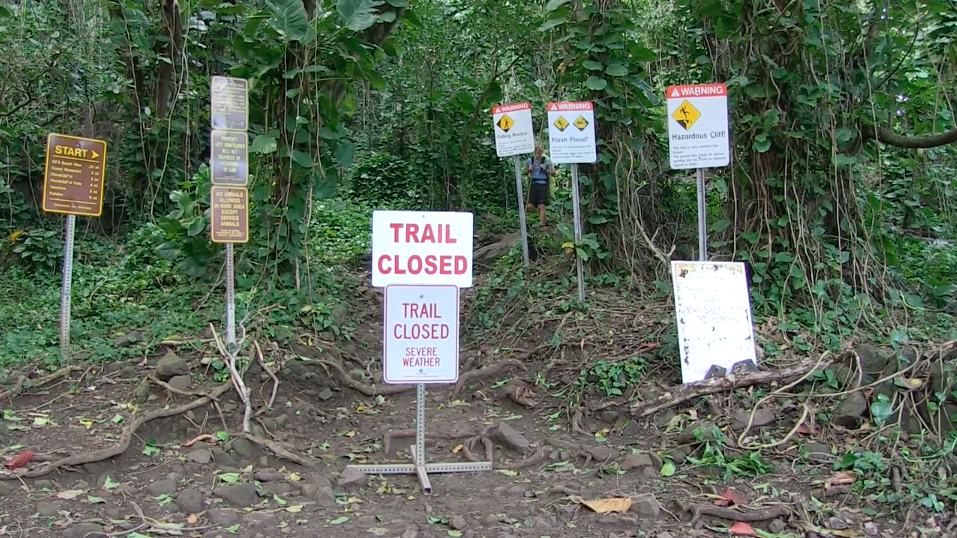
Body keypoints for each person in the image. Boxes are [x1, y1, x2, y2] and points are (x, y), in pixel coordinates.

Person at [526, 144, 555, 229]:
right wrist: (529, 169)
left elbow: (554, 173)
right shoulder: (530, 160)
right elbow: (526, 172)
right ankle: (540, 217)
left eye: (540, 151)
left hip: (542, 184)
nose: (538, 153)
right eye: (537, 152)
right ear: (534, 152)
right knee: (530, 206)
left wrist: (545, 170)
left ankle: (542, 224)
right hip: (533, 183)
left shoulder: (546, 160)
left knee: (541, 205)